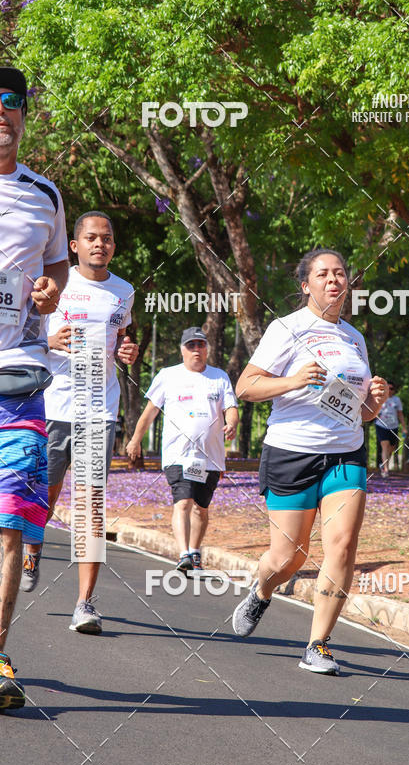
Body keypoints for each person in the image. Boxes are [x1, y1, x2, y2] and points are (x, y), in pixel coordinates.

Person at [232, 249, 388, 675]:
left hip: (346, 452)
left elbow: (361, 413)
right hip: (292, 451)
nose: (333, 280)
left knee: (342, 545)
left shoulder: (354, 339)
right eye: (323, 274)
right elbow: (246, 387)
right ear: (306, 286)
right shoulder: (287, 328)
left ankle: (318, 644)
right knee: (288, 559)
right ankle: (261, 590)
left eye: (340, 274)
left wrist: (374, 403)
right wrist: (293, 380)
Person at [20, 211, 138, 638]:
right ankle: (33, 547)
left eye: (106, 238)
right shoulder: (52, 284)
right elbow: (19, 334)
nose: (99, 245)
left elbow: (126, 337)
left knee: (90, 507)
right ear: (74, 245)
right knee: (44, 499)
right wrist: (50, 341)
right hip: (51, 406)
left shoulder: (123, 292)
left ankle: (85, 603)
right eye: (91, 238)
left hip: (97, 412)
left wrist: (129, 351)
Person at [0, 67, 69, 709]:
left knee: (11, 524)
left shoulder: (43, 194)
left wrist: (51, 292)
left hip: (17, 375)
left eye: (11, 101)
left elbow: (56, 269)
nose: (2, 111)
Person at [126, 327, 238, 572]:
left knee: (201, 507)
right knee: (183, 501)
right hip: (178, 454)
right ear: (182, 350)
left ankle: (195, 552)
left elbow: (231, 407)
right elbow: (150, 412)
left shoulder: (219, 377)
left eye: (200, 345)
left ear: (206, 348)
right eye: (191, 345)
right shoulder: (168, 376)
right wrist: (136, 440)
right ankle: (183, 553)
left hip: (210, 457)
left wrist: (232, 423)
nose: (196, 350)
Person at [375, 383, 406, 477]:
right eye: (387, 388)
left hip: (394, 426)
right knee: (385, 446)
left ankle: (383, 464)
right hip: (381, 425)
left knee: (391, 447)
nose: (389, 390)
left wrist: (404, 427)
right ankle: (386, 469)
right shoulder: (379, 398)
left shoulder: (397, 400)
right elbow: (373, 411)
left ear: (394, 390)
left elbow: (400, 414)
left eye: (391, 388)